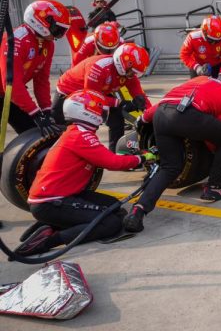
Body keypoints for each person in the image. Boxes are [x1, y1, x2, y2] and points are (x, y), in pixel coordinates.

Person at [13, 90, 156, 257]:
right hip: (52, 202)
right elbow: (112, 162)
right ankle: (48, 240)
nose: (102, 114)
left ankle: (51, 224)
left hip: (60, 197)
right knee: (112, 224)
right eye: (99, 110)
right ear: (87, 113)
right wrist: (143, 158)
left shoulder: (77, 132)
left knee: (115, 207)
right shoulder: (81, 136)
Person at [123, 73, 221, 233]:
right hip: (186, 115)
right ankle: (213, 188)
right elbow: (215, 133)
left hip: (161, 114)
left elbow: (164, 102)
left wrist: (143, 118)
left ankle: (137, 211)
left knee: (169, 168)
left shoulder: (201, 79)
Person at [54, 43, 151, 152]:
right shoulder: (98, 67)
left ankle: (115, 152)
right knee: (70, 126)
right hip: (69, 90)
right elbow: (92, 98)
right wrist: (119, 103)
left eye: (136, 73)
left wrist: (149, 114)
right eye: (132, 71)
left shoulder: (129, 75)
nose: (133, 75)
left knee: (117, 119)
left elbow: (140, 96)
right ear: (123, 63)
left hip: (98, 91)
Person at [0, 0, 70, 136]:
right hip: (9, 88)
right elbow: (11, 83)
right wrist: (35, 113)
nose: (58, 35)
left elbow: (41, 80)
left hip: (10, 94)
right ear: (41, 22)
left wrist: (46, 111)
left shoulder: (47, 44)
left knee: (35, 132)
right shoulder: (15, 41)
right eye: (58, 30)